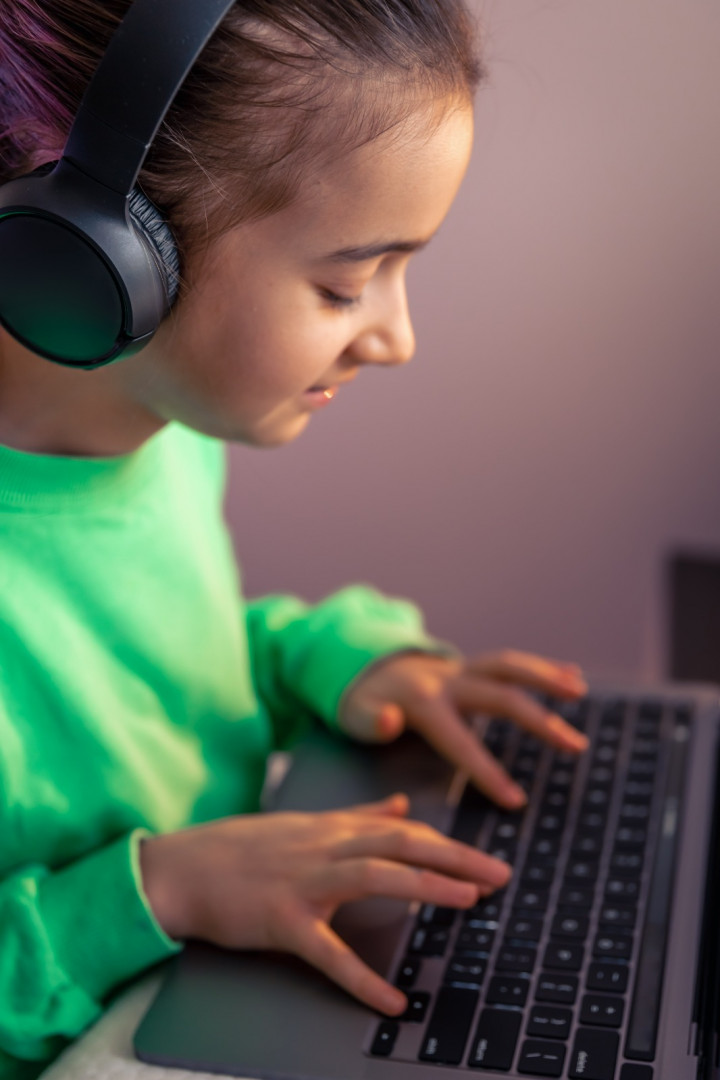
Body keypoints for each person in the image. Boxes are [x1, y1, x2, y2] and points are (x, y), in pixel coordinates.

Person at [0, 1, 589, 1075]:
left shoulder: (161, 430)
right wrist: (163, 889)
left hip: (208, 971)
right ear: (103, 253)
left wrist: (336, 661)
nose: (397, 339)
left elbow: (154, 683)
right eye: (345, 283)